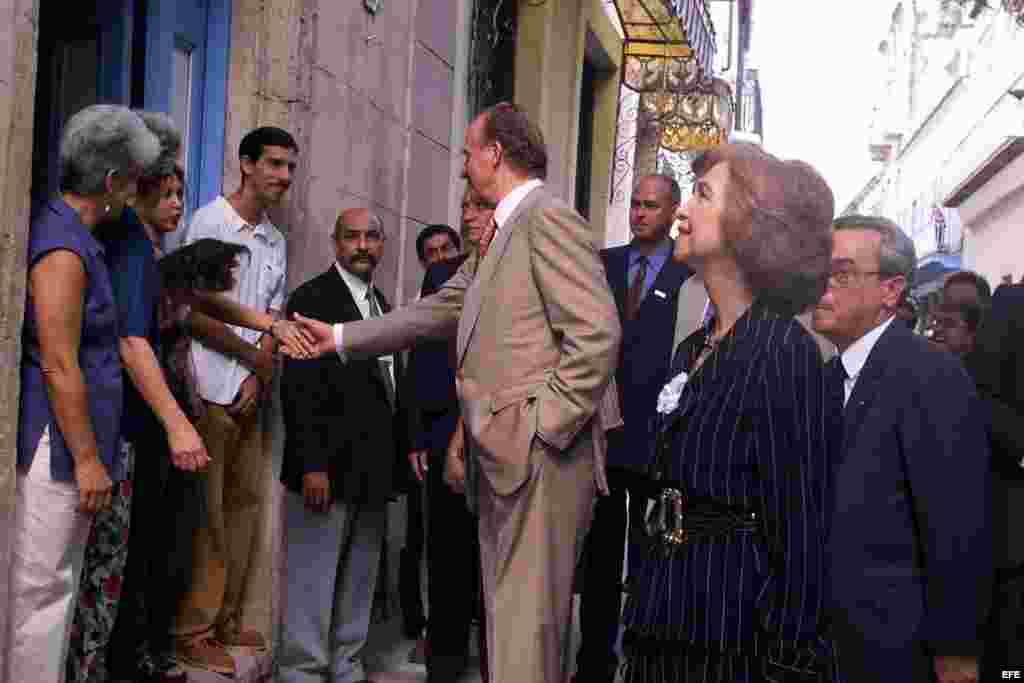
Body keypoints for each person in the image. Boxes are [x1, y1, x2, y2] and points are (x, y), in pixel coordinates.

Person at [295, 102, 621, 683]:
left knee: (526, 634)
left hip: (539, 459)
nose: (463, 167)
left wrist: (540, 428)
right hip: (509, 460)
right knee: (507, 629)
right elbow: (442, 306)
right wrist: (341, 336)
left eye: (469, 154)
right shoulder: (501, 231)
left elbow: (595, 335)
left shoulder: (545, 218)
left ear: (495, 155)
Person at [620, 143, 836, 682]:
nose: (681, 212)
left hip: (730, 634)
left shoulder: (785, 352)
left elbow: (801, 530)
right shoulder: (692, 347)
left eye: (702, 195)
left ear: (749, 225)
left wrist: (788, 657)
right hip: (662, 618)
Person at [7, 104, 160, 683]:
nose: (136, 195)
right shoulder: (63, 248)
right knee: (40, 594)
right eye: (136, 181)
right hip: (57, 447)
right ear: (113, 181)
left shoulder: (83, 240)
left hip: (74, 445)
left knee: (58, 589)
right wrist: (91, 459)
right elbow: (59, 362)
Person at [812, 214, 992, 683]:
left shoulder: (930, 376)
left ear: (890, 291)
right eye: (821, 271)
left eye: (843, 273)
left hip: (896, 650)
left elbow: (957, 526)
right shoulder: (827, 379)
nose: (823, 286)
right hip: (827, 647)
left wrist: (957, 651)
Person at [171, 126, 298, 675]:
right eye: (273, 164)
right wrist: (250, 360)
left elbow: (273, 314)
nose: (283, 177)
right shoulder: (208, 223)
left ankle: (225, 620)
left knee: (244, 507)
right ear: (245, 164)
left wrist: (259, 372)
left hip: (251, 391)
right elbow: (192, 311)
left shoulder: (275, 240)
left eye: (290, 167)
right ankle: (191, 630)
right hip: (206, 387)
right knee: (207, 514)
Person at [575, 173, 693, 683]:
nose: (640, 213)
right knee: (599, 560)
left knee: (650, 559)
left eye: (651, 206)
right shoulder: (604, 264)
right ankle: (593, 663)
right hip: (603, 435)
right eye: (636, 205)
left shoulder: (690, 273)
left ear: (672, 211)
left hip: (656, 439)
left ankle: (641, 661)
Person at [278, 208, 404, 683]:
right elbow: (301, 390)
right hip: (325, 471)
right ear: (336, 244)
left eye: (372, 237)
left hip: (373, 472)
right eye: (352, 237)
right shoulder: (313, 298)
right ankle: (302, 674)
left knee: (358, 581)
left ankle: (346, 669)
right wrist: (313, 464)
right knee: (313, 580)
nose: (363, 246)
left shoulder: (381, 303)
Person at [403, 184, 495, 683]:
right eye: (465, 207)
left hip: (503, 432)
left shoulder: (516, 268)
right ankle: (444, 662)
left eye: (481, 206)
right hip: (442, 432)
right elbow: (419, 352)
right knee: (446, 553)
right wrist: (417, 435)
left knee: (495, 558)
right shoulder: (442, 275)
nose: (470, 215)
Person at [401, 222, 462, 640]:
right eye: (432, 253)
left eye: (447, 249)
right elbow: (415, 375)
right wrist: (417, 438)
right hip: (435, 434)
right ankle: (421, 624)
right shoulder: (420, 303)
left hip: (480, 428)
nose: (440, 258)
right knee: (425, 536)